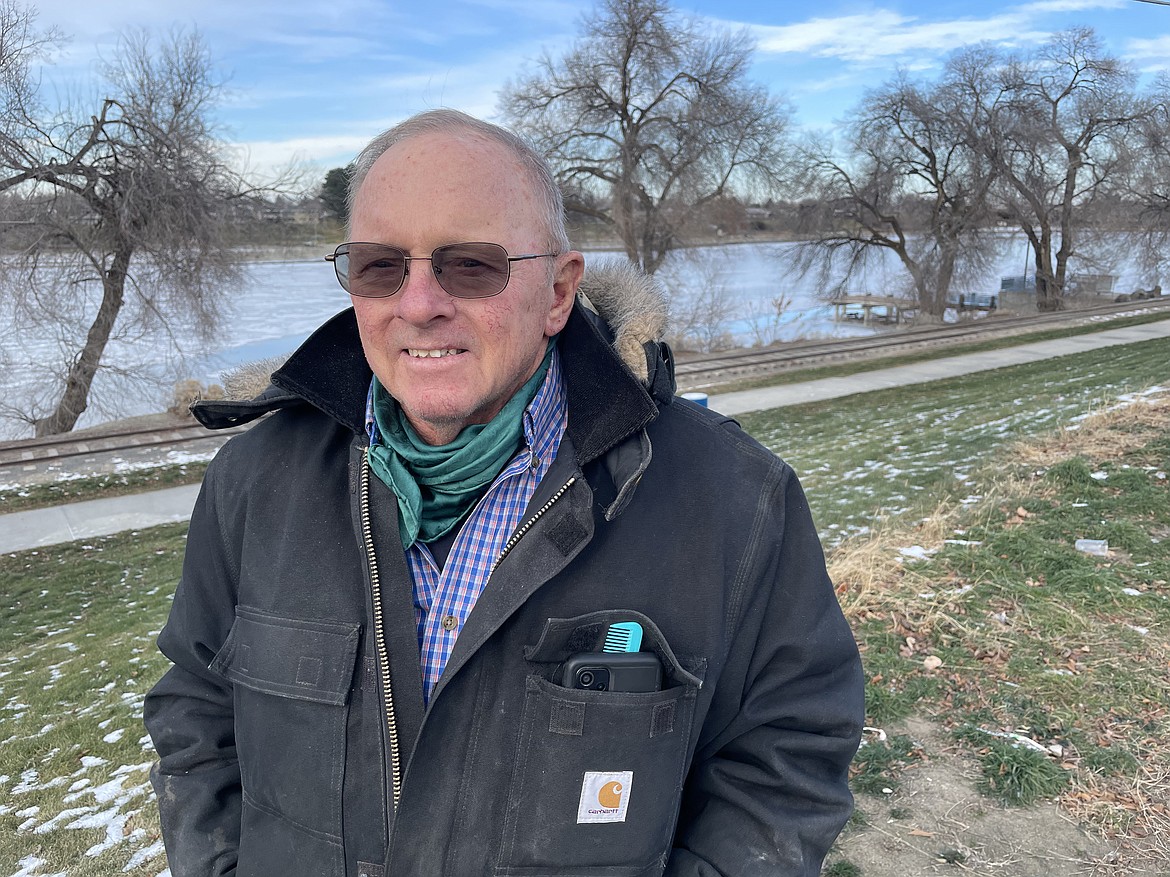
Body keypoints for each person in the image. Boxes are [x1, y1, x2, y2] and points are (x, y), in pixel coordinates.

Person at [144, 109, 864, 877]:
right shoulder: (253, 484)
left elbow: (787, 754)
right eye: (380, 266)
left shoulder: (734, 503)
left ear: (558, 291)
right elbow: (197, 707)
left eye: (470, 265)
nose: (418, 304)